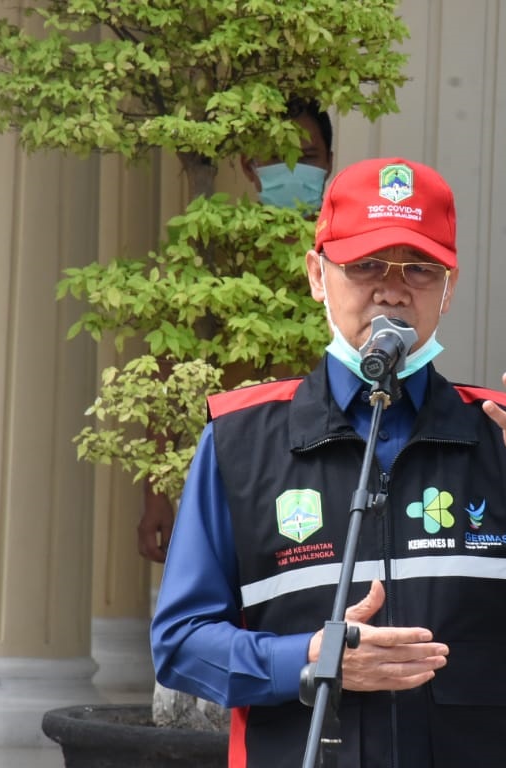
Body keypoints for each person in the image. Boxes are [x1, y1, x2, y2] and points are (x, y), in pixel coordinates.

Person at [151, 157, 506, 768]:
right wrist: (311, 657)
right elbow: (182, 643)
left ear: (449, 289)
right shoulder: (241, 440)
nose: (393, 292)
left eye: (419, 270)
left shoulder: (502, 433)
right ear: (318, 275)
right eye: (367, 265)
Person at [137, 99, 335, 563]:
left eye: (306, 157)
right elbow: (167, 374)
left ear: (329, 162)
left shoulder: (346, 261)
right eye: (274, 157)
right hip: (235, 467)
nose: (292, 169)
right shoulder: (214, 257)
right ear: (249, 165)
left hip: (328, 469)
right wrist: (156, 492)